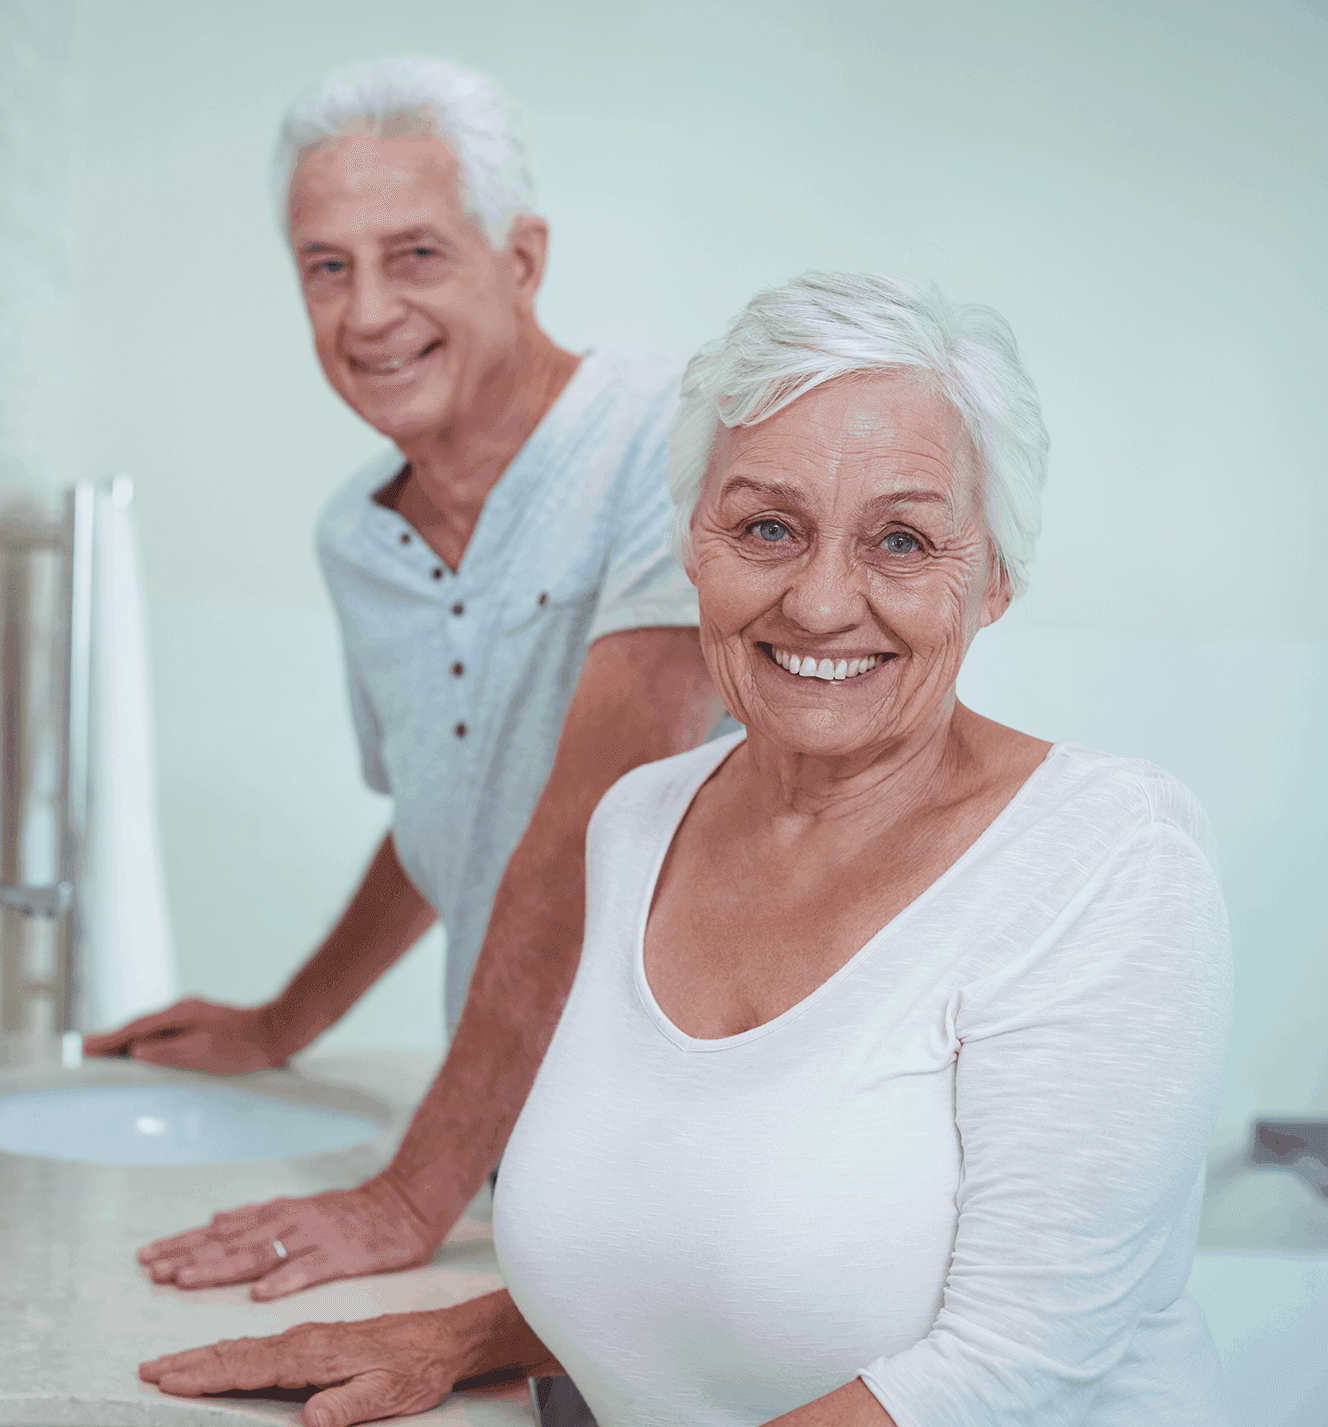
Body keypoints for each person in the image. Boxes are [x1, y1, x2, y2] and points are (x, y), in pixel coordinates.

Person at [134, 272, 1234, 1427]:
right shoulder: (640, 823)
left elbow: (1004, 1365)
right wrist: (463, 1333)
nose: (819, 602)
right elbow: (687, 1242)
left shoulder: (1108, 855)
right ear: (690, 548)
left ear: (992, 579)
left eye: (900, 540)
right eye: (766, 527)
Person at [84, 56, 726, 1296]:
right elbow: (451, 816)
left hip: (693, 1169)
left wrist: (407, 1191)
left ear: (520, 259)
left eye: (415, 254)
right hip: (520, 1170)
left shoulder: (670, 443)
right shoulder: (355, 540)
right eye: (326, 267)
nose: (367, 312)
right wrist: (284, 1019)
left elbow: (582, 836)